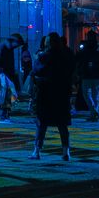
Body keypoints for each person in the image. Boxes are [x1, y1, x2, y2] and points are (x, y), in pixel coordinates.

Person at [29, 32, 75, 160]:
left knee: (42, 123)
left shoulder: (44, 56)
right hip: (61, 93)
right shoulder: (66, 56)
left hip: (46, 92)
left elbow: (36, 71)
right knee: (62, 124)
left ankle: (37, 150)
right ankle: (66, 151)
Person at [0, 34, 25, 121]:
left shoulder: (8, 48)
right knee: (5, 96)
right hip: (5, 75)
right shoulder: (5, 48)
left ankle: (5, 115)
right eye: (17, 44)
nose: (17, 46)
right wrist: (2, 72)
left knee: (6, 96)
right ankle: (4, 116)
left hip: (6, 74)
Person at [77, 30, 99, 121]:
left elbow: (80, 58)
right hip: (96, 74)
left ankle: (93, 112)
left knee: (87, 94)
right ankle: (94, 111)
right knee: (95, 95)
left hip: (87, 74)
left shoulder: (85, 46)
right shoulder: (98, 47)